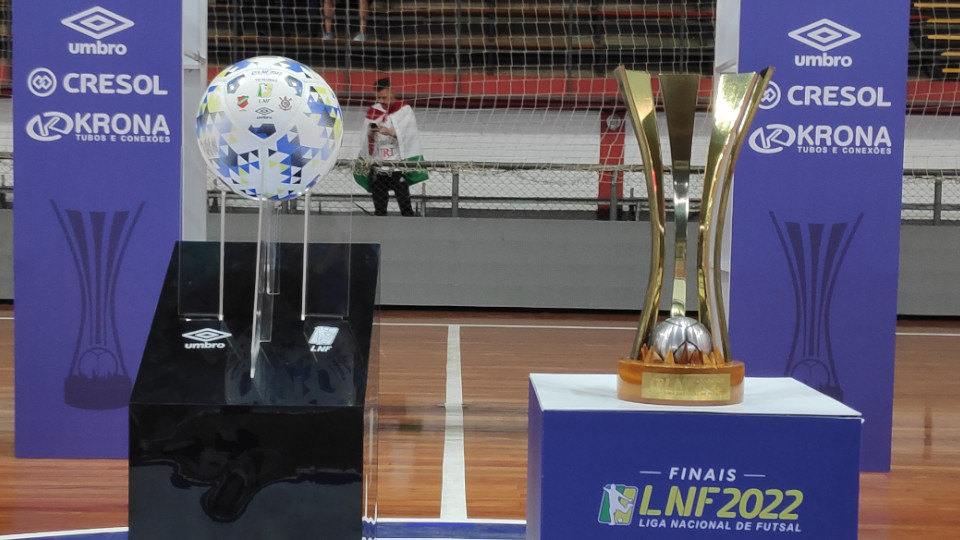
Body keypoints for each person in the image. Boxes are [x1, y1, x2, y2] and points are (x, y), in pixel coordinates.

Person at [354, 78, 429, 216]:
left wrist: (391, 132)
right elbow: (364, 140)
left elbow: (410, 136)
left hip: (396, 166)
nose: (381, 101)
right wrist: (370, 134)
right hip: (379, 165)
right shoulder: (373, 111)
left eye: (384, 97)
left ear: (392, 93)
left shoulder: (404, 110)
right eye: (379, 98)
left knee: (405, 205)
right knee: (379, 206)